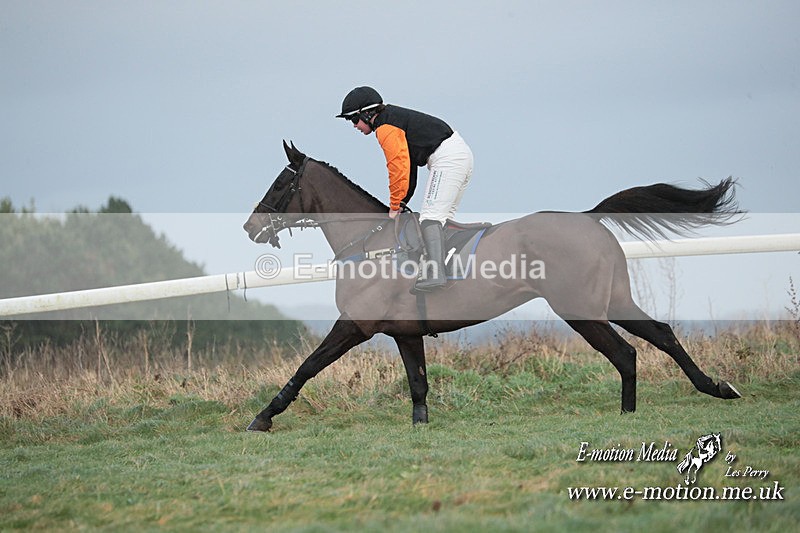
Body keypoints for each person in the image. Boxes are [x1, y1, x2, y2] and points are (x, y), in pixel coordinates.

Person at [336, 86, 474, 292]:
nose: (354, 126)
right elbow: (408, 168)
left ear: (367, 113)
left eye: (354, 120)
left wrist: (394, 205)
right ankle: (446, 269)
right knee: (441, 221)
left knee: (430, 218)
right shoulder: (392, 120)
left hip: (447, 159)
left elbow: (398, 168)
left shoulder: (386, 127)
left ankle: (436, 274)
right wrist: (402, 202)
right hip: (457, 155)